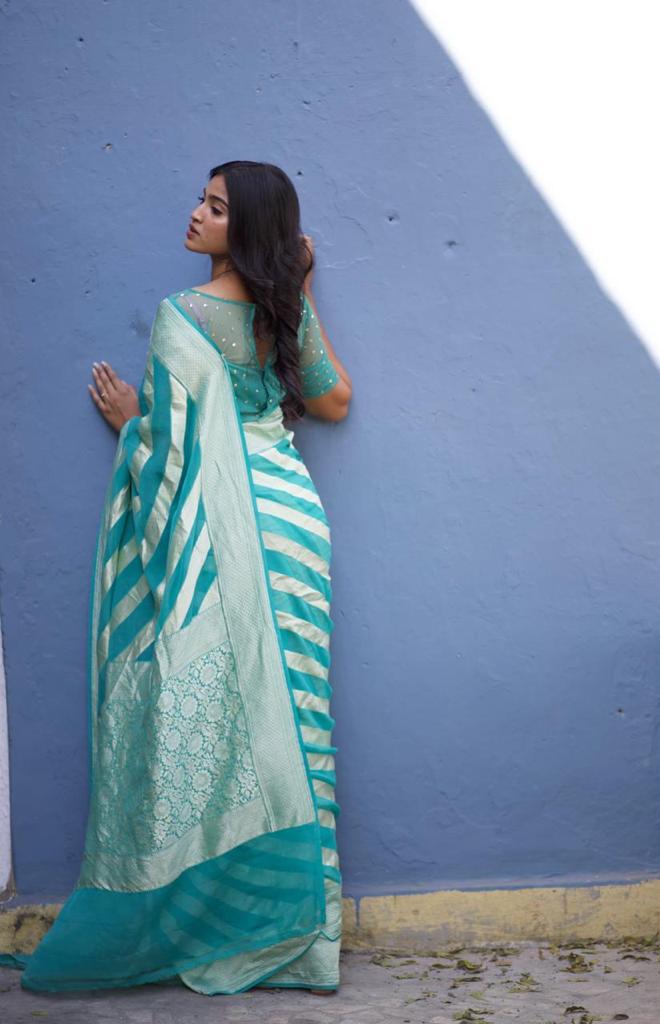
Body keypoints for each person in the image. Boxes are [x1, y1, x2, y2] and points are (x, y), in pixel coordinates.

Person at [0, 161, 352, 995]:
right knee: (295, 728)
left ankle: (219, 920)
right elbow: (333, 401)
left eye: (217, 207)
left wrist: (134, 426)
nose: (197, 214)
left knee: (216, 727)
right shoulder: (283, 309)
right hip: (295, 532)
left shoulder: (184, 316)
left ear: (246, 227)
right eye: (202, 199)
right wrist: (301, 290)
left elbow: (171, 460)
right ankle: (305, 935)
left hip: (228, 542)